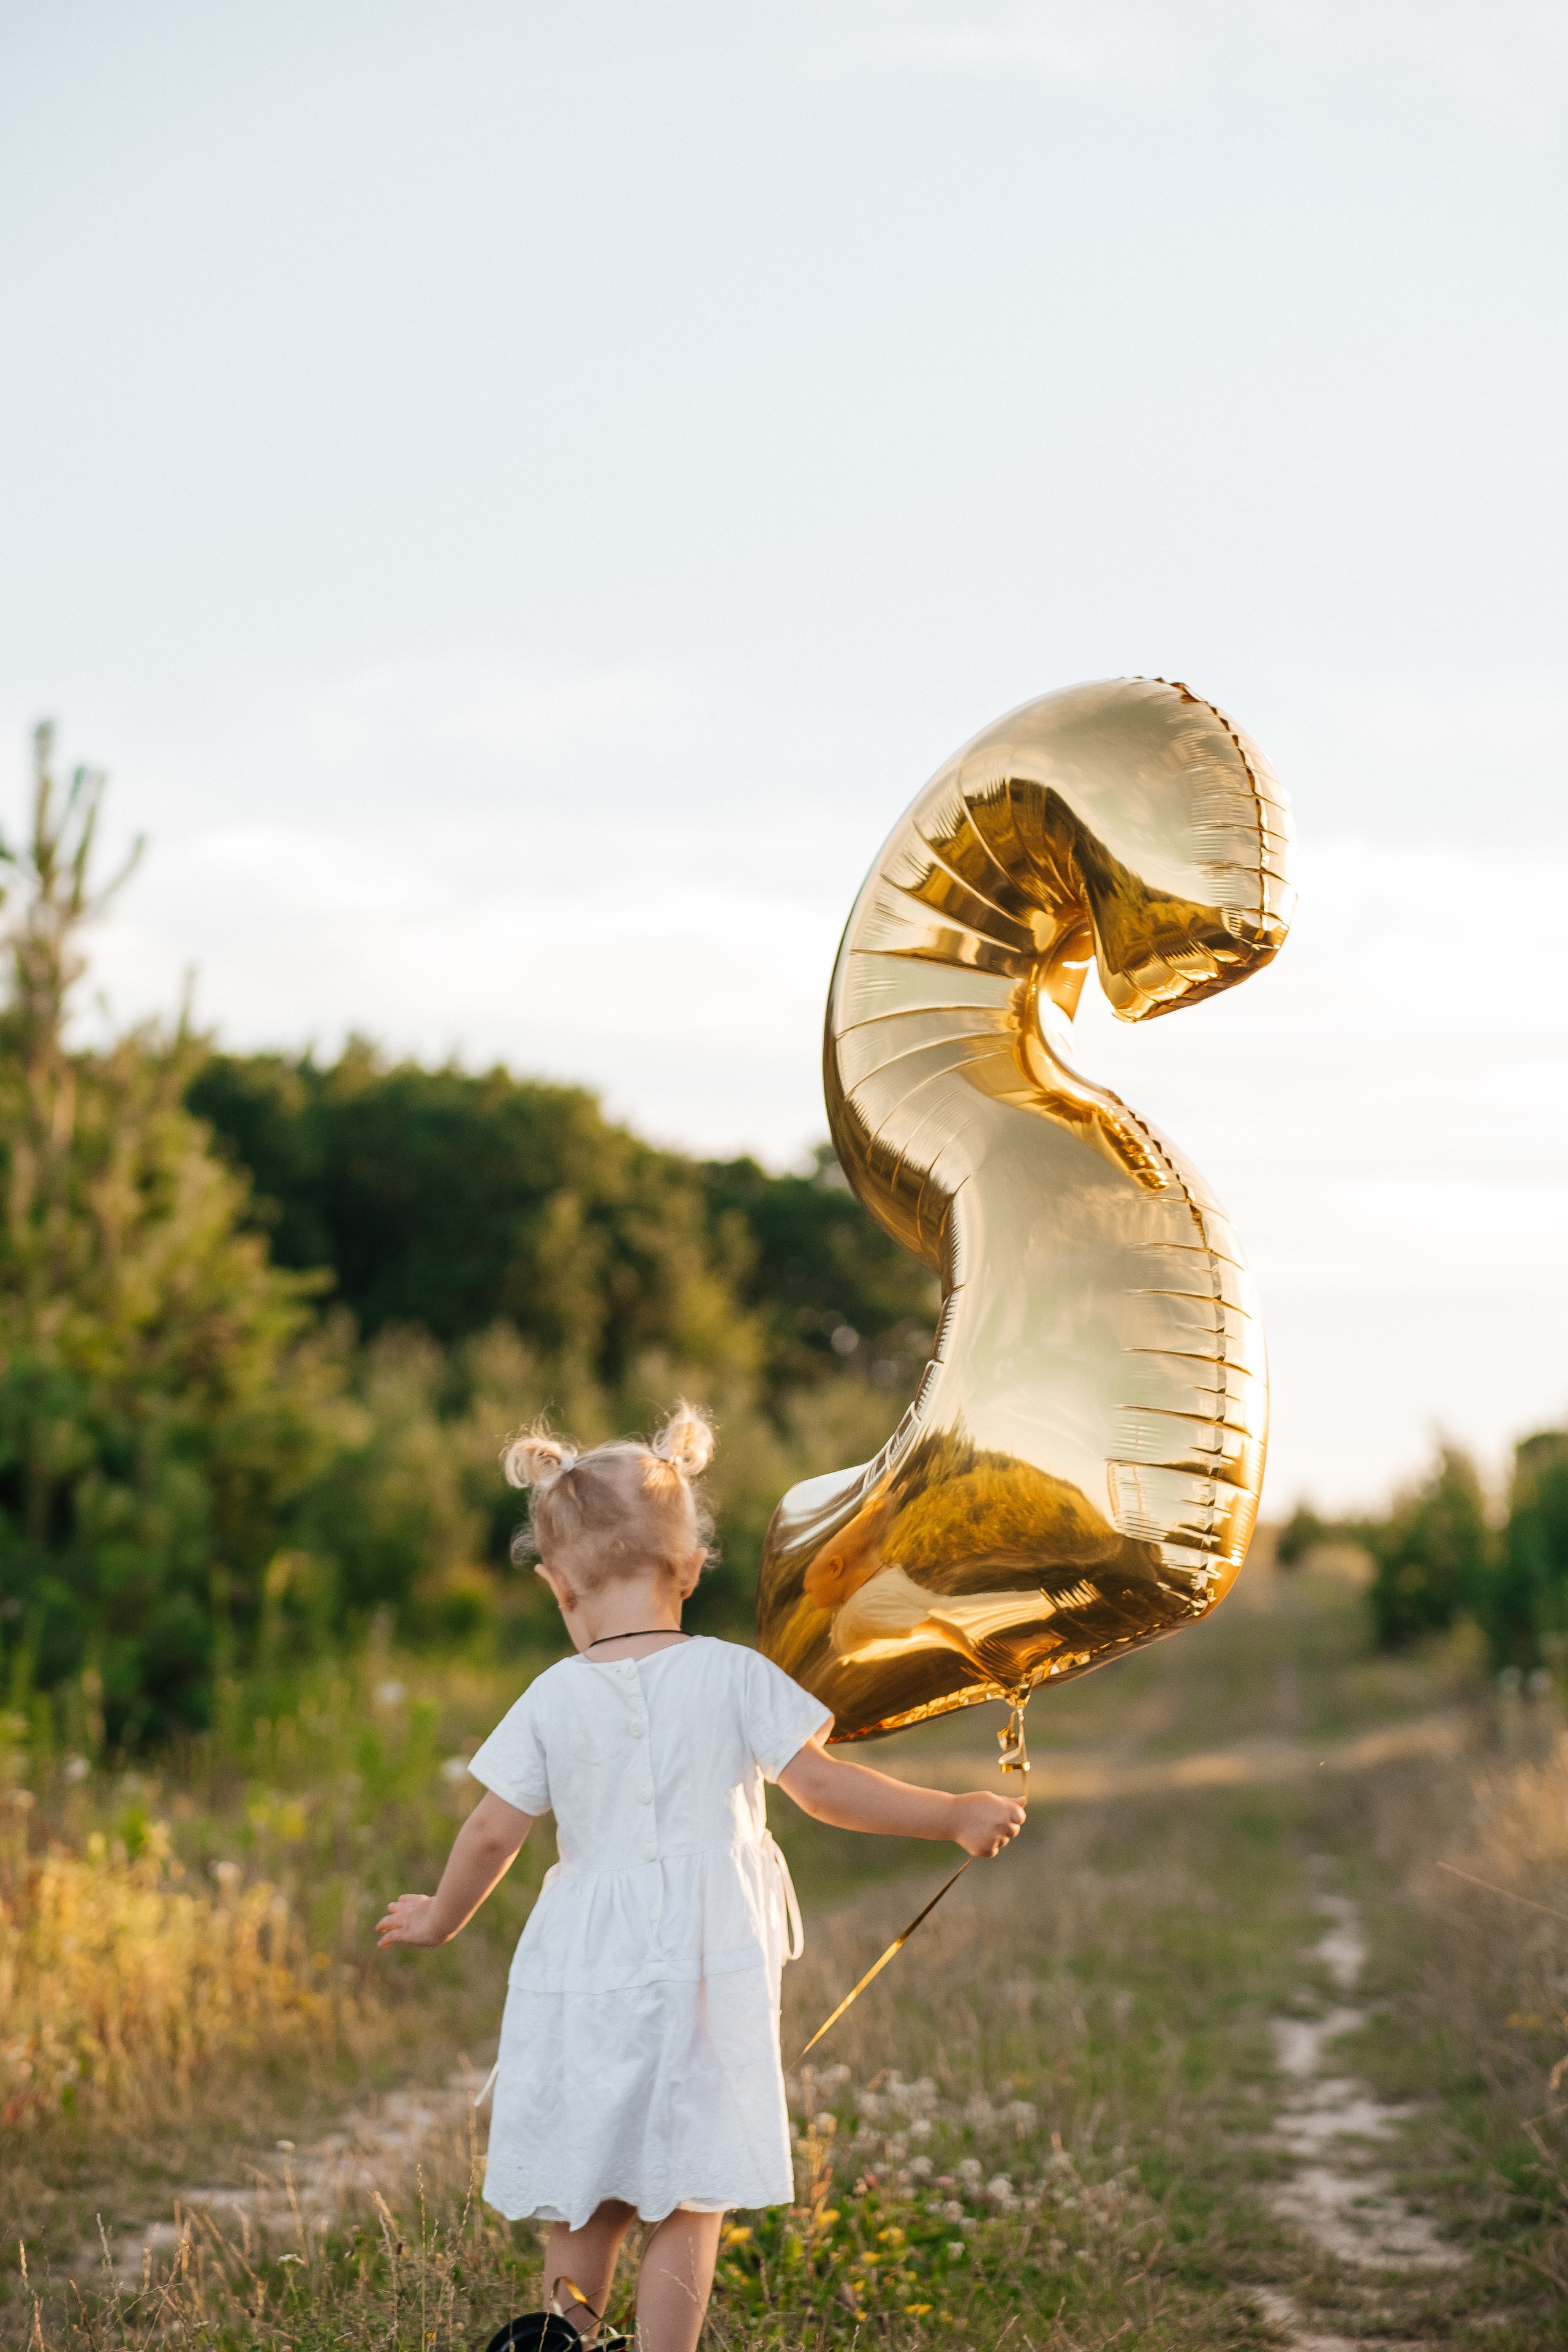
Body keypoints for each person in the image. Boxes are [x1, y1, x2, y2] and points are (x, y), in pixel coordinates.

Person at [376, 1403, 1025, 2352]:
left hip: (585, 1973)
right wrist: (952, 1814)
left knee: (591, 2182)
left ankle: (563, 2340)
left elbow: (489, 1835)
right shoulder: (733, 1674)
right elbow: (824, 1790)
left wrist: (440, 1916)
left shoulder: (551, 1696)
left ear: (558, 1583)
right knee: (690, 2188)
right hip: (709, 1973)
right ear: (688, 1568)